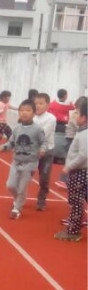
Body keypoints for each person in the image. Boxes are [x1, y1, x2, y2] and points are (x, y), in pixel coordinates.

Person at [0, 100, 46, 219]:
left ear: (34, 113)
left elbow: (44, 142)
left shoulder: (38, 129)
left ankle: (17, 208)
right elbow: (11, 142)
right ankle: (18, 199)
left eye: (28, 110)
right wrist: (4, 147)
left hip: (30, 163)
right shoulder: (17, 128)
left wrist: (43, 149)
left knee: (22, 187)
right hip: (16, 162)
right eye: (22, 110)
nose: (24, 113)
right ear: (19, 112)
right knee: (10, 185)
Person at [55, 96, 87, 242]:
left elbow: (83, 155)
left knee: (76, 202)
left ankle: (73, 231)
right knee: (79, 200)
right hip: (81, 171)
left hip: (80, 172)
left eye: (77, 113)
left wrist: (69, 166)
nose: (74, 115)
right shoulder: (82, 133)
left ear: (84, 118)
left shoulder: (84, 135)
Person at [33, 93, 57, 211]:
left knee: (44, 178)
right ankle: (18, 199)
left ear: (47, 105)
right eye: (36, 103)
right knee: (25, 175)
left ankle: (41, 199)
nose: (37, 106)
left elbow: (42, 134)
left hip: (47, 152)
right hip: (32, 152)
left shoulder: (51, 118)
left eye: (41, 103)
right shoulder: (31, 117)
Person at [51, 90, 78, 187]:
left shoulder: (53, 104)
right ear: (65, 96)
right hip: (63, 126)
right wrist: (71, 103)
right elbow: (73, 107)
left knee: (56, 141)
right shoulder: (67, 106)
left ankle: (56, 157)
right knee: (66, 147)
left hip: (55, 125)